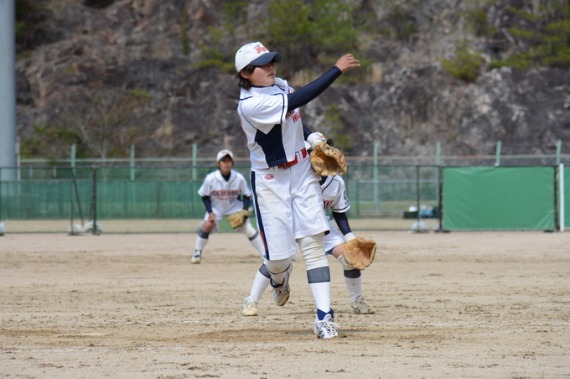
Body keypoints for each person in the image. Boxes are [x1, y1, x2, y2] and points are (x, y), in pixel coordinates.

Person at [235, 41, 360, 338]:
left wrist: (313, 140)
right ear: (246, 73)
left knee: (313, 244)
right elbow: (296, 102)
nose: (270, 67)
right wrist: (335, 70)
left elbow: (292, 119)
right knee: (279, 259)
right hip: (270, 180)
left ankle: (324, 317)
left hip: (302, 172)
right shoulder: (250, 104)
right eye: (263, 64)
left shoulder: (279, 85)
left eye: (271, 61)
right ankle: (279, 278)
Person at [241, 169, 374, 317]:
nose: (324, 159)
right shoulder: (295, 175)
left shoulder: (336, 182)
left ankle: (357, 300)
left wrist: (350, 238)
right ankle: (252, 300)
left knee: (348, 259)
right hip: (289, 223)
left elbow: (339, 212)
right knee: (275, 262)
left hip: (317, 223)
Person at [192, 149, 265, 264]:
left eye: (228, 160)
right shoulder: (211, 178)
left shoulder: (238, 178)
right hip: (216, 209)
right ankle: (197, 252)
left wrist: (244, 212)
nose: (226, 163)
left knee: (249, 229)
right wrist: (210, 212)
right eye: (223, 161)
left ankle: (264, 254)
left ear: (232, 163)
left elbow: (246, 195)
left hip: (234, 208)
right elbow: (204, 195)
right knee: (207, 225)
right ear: (218, 163)